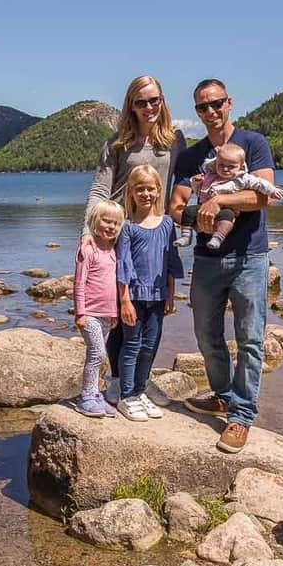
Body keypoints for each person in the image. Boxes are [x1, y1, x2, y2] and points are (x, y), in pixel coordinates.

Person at [170, 79, 276, 453]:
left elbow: (263, 196)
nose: (211, 112)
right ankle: (222, 394)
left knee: (250, 338)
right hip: (207, 258)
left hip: (250, 256)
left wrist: (222, 200)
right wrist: (201, 211)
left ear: (229, 103)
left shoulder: (253, 144)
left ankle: (242, 414)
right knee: (206, 335)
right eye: (202, 107)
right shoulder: (192, 157)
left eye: (216, 104)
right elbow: (176, 207)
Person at [80, 75, 186, 390]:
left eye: (154, 100)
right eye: (141, 102)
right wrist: (88, 232)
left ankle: (138, 383)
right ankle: (117, 383)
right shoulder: (118, 142)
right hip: (120, 234)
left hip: (156, 234)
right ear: (132, 106)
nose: (149, 107)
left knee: (153, 307)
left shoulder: (175, 141)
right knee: (119, 310)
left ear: (162, 101)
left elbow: (185, 182)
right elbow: (100, 190)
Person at [115, 164, 183, 421]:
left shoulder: (166, 224)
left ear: (158, 192)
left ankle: (140, 390)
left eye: (150, 189)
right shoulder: (128, 227)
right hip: (133, 296)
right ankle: (126, 395)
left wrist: (170, 293)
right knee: (131, 345)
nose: (145, 194)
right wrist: (124, 300)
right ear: (131, 193)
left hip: (158, 296)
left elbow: (171, 260)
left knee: (150, 345)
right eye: (139, 189)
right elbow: (123, 264)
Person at [175, 142, 283, 249]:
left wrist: (272, 190)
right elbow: (199, 192)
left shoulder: (242, 178)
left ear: (241, 167)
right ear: (216, 163)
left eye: (231, 166)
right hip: (205, 207)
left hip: (228, 208)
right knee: (188, 211)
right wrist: (196, 182)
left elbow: (260, 184)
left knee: (227, 217)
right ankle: (186, 236)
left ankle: (218, 237)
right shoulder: (210, 176)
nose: (225, 169)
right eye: (221, 165)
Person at [72, 200, 125, 418]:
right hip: (90, 314)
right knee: (97, 353)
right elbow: (79, 283)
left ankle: (94, 394)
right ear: (95, 221)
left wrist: (114, 314)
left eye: (116, 223)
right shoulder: (89, 250)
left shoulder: (113, 251)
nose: (111, 227)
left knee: (98, 354)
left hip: (106, 315)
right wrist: (80, 313)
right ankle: (85, 396)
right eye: (106, 221)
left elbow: (111, 285)